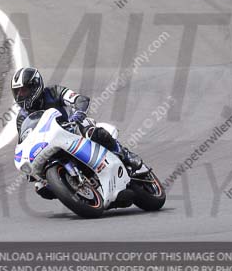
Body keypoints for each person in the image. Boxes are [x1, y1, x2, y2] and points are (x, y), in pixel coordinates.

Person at [12, 67, 145, 199]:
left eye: (24, 91)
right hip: (48, 143)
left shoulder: (53, 92)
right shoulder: (22, 117)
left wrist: (79, 113)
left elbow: (79, 99)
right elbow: (25, 140)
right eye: (17, 92)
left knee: (94, 133)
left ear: (35, 86)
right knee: (41, 188)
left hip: (72, 128)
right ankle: (73, 189)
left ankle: (126, 155)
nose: (20, 96)